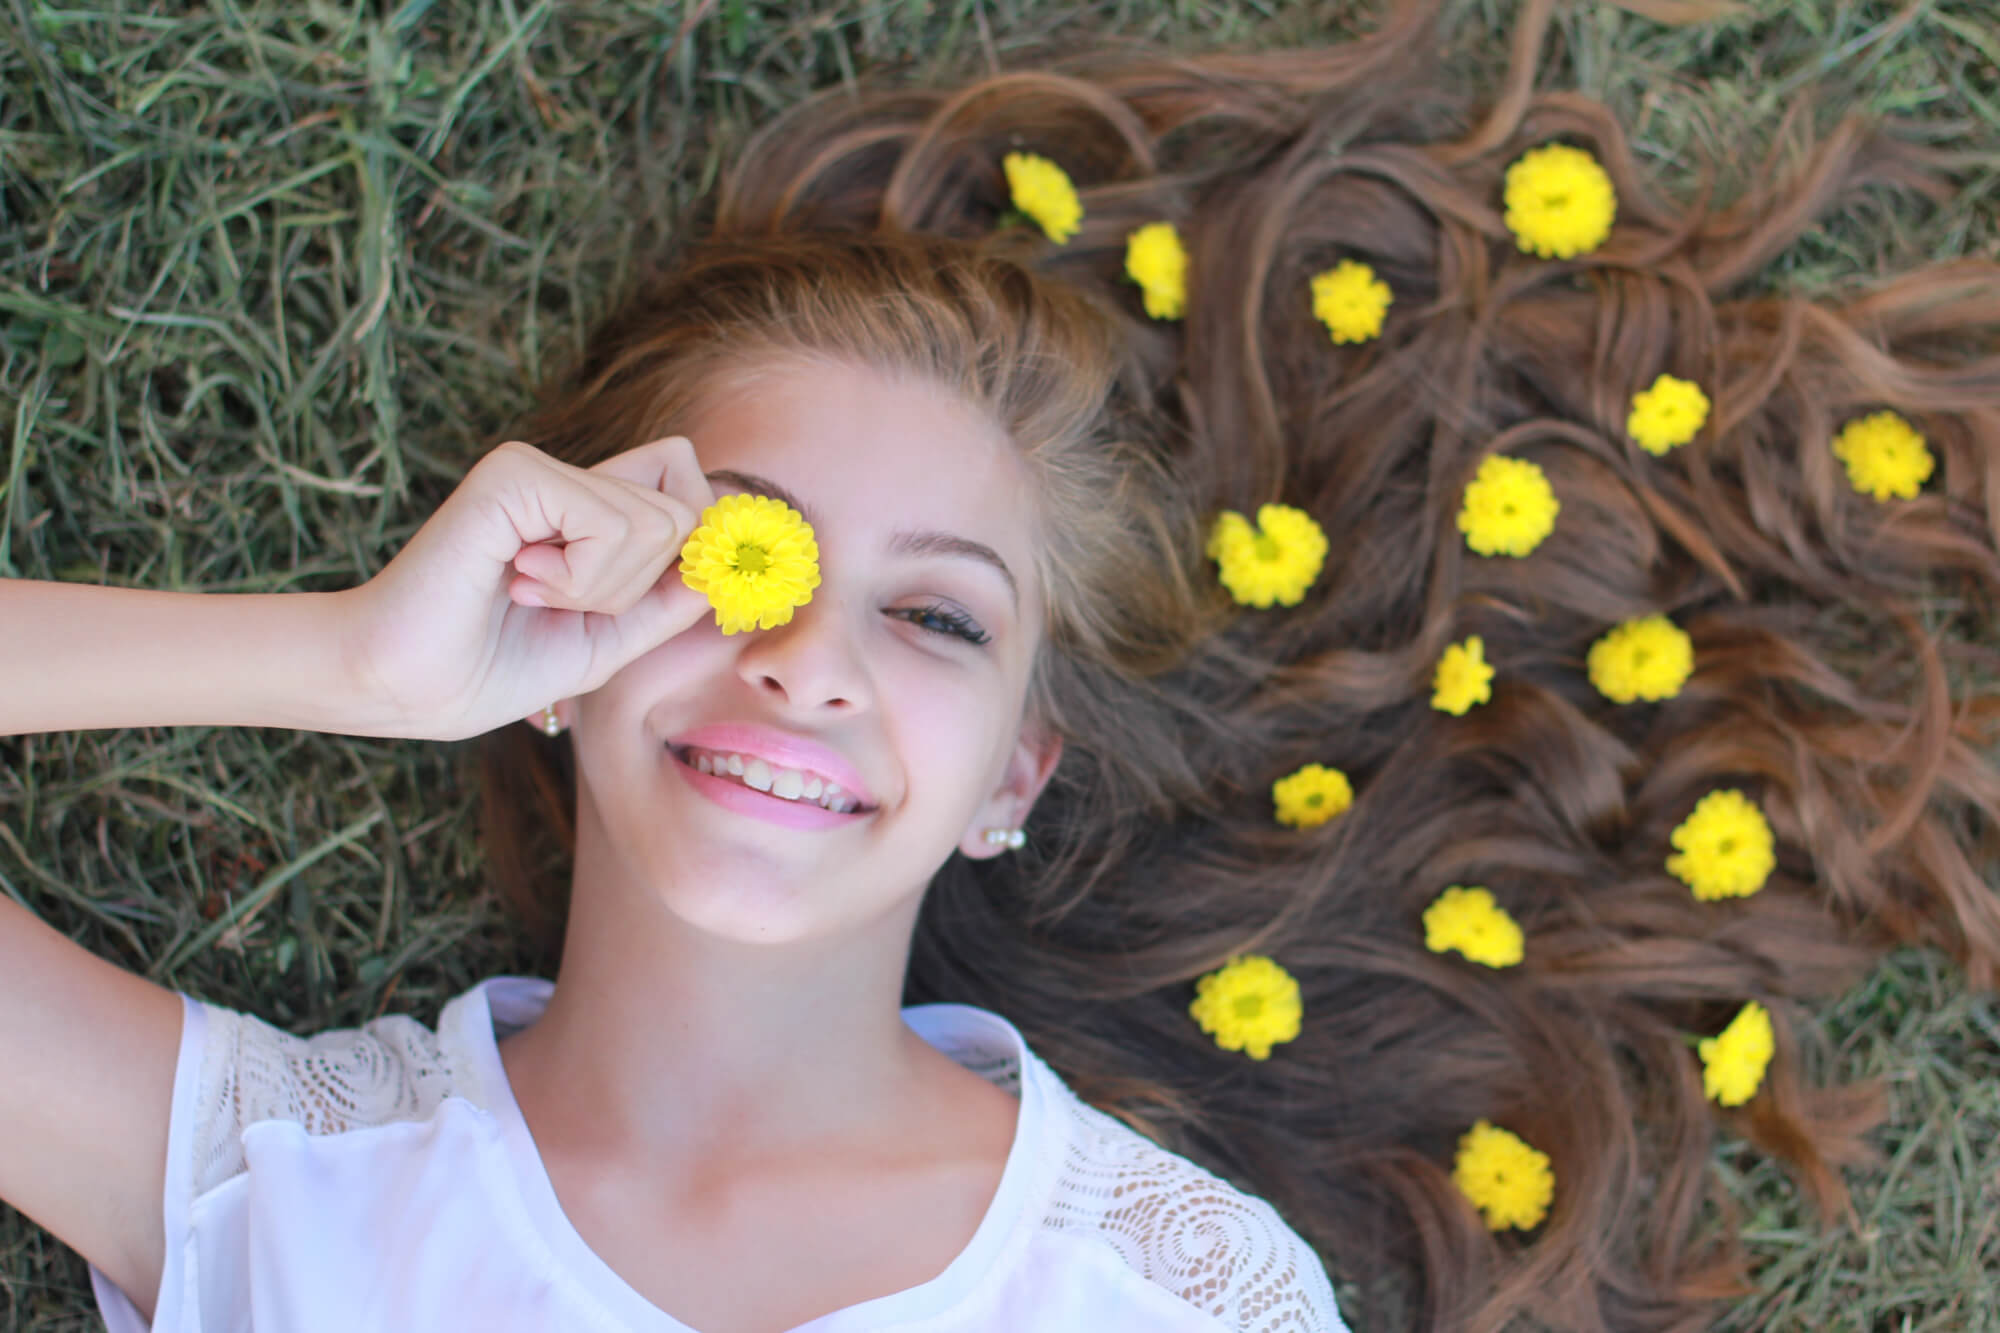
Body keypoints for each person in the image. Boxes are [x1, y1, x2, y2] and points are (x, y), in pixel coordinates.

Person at [4, 0, 2000, 1328]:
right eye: (735, 557)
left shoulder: (1183, 1292)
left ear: (1014, 778)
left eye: (938, 611)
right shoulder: (271, 1172)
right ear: (560, 637)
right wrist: (356, 658)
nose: (804, 656)